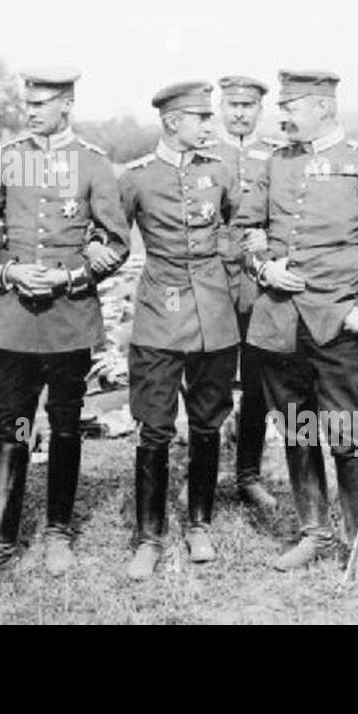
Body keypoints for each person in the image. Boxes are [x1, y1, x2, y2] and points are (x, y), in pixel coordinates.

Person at [0, 66, 130, 594]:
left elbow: (118, 244)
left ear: (67, 106)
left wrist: (68, 274)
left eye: (41, 103)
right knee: (13, 429)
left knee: (66, 425)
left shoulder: (93, 163)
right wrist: (8, 268)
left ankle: (57, 532)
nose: (30, 111)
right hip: (14, 322)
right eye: (27, 103)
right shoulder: (9, 158)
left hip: (70, 319)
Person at [244, 70, 358, 586]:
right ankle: (313, 531)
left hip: (335, 321)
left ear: (322, 105)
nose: (282, 114)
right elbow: (246, 227)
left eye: (290, 104)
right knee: (296, 429)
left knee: (347, 433)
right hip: (278, 322)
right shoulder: (277, 160)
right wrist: (263, 266)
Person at [118, 82, 257, 578]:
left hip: (213, 318)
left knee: (207, 421)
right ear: (173, 122)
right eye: (201, 118)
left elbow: (242, 227)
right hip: (159, 315)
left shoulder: (218, 172)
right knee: (154, 425)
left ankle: (199, 523)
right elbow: (111, 234)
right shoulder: (136, 177)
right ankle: (149, 537)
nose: (210, 126)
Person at [211, 76, 284, 511]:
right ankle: (205, 470)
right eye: (232, 104)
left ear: (260, 109)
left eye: (248, 106)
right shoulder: (205, 152)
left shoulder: (275, 154)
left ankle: (248, 474)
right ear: (221, 106)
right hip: (214, 282)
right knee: (210, 378)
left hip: (258, 284)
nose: (239, 112)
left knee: (258, 380)